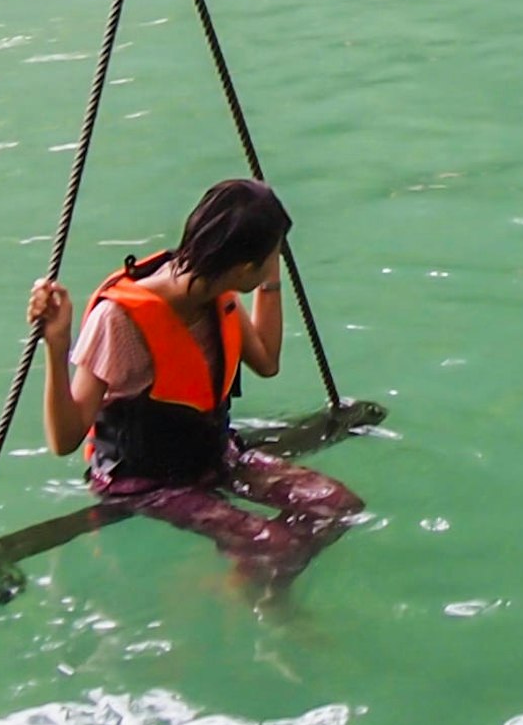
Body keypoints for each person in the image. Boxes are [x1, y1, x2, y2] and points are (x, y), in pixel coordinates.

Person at [21, 176, 362, 591]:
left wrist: (269, 278)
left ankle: (250, 579)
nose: (279, 260)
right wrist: (57, 347)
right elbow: (64, 438)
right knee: (271, 542)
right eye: (273, 255)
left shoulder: (217, 290)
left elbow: (267, 361)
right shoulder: (120, 321)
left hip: (212, 456)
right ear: (242, 268)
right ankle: (248, 599)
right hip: (145, 480)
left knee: (337, 505)